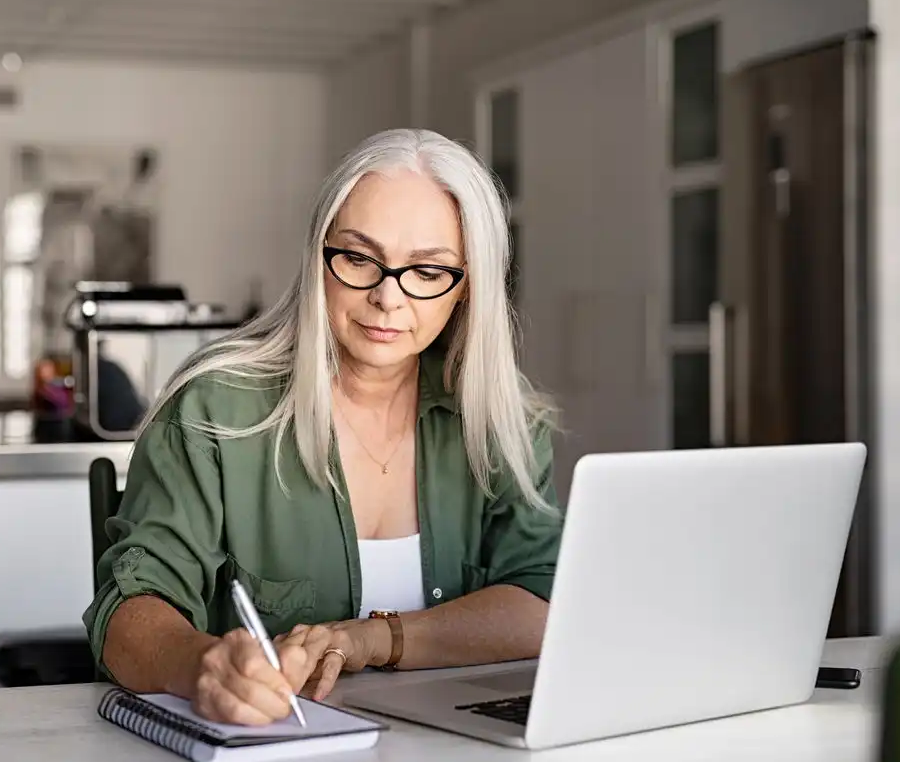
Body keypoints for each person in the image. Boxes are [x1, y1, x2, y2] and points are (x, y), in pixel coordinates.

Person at [83, 128, 563, 727]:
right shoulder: (213, 407)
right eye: (360, 258)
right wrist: (201, 666)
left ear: (467, 288)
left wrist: (370, 639)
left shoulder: (501, 418)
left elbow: (542, 602)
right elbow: (128, 610)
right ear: (319, 258)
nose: (389, 298)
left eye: (428, 270)